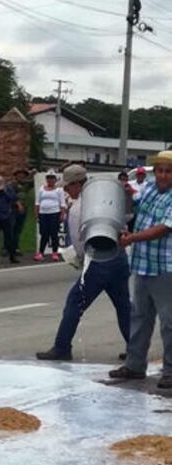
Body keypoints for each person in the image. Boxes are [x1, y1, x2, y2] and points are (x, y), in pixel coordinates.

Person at [36, 164, 131, 361]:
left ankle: (62, 347)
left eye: (68, 186)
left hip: (97, 259)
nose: (65, 189)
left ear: (79, 184)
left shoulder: (79, 208)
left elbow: (80, 244)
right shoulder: (106, 201)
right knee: (123, 306)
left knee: (74, 303)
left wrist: (79, 261)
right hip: (119, 257)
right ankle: (135, 348)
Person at [109, 151, 172, 389]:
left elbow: (163, 228)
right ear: (154, 172)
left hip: (167, 267)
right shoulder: (150, 190)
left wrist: (132, 238)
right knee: (140, 317)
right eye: (160, 170)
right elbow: (132, 207)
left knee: (169, 322)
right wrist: (123, 193)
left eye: (168, 171)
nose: (163, 175)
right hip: (143, 264)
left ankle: (170, 371)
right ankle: (135, 366)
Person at [33, 171, 66, 262]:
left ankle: (54, 253)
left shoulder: (59, 190)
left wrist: (62, 214)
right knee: (44, 233)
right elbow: (37, 202)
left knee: (53, 233)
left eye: (52, 178)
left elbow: (62, 203)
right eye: (48, 178)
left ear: (55, 179)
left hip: (54, 213)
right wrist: (36, 213)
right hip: (43, 213)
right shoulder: (41, 189)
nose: (50, 180)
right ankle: (40, 253)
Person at [11, 168, 34, 257]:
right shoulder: (13, 185)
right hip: (13, 209)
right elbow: (12, 196)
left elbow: (33, 181)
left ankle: (15, 247)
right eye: (19, 175)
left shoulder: (25, 185)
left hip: (23, 209)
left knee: (18, 229)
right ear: (16, 176)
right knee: (11, 229)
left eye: (23, 175)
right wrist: (18, 204)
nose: (21, 176)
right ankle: (7, 248)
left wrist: (32, 174)